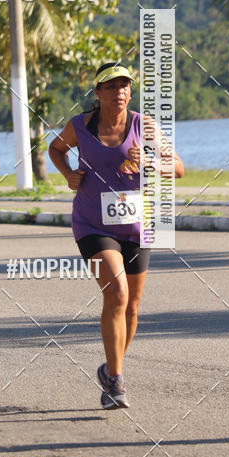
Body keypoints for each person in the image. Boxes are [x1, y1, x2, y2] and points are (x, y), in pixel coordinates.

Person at [49, 63, 184, 409]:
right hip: (93, 226)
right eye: (111, 86)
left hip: (138, 227)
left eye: (125, 85)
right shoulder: (80, 125)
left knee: (133, 307)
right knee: (118, 292)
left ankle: (111, 368)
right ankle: (117, 385)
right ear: (98, 92)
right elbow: (56, 149)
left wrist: (152, 164)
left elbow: (179, 168)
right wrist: (68, 175)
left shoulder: (143, 125)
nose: (120, 92)